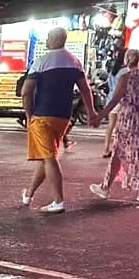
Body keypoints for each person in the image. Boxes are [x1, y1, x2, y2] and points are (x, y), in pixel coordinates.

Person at [20, 27, 99, 213]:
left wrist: (28, 114)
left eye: (48, 37)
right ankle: (28, 194)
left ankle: (58, 201)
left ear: (55, 39)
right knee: (46, 157)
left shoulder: (41, 61)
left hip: (42, 115)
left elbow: (26, 91)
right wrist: (92, 112)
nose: (47, 40)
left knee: (49, 158)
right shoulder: (74, 61)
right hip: (63, 116)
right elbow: (85, 89)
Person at [90, 50, 139, 204]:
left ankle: (105, 187)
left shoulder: (125, 78)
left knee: (118, 152)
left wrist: (99, 116)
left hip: (128, 121)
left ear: (127, 61)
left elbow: (114, 100)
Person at [103, 48, 128, 158]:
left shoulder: (113, 71)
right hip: (121, 100)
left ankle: (106, 149)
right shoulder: (126, 70)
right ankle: (118, 149)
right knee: (122, 126)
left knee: (111, 125)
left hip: (111, 100)